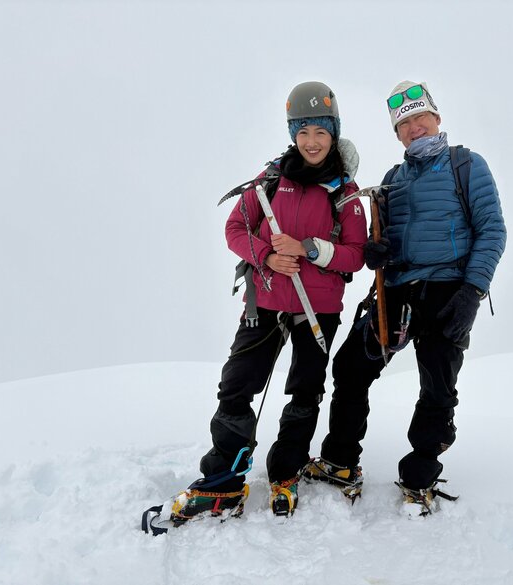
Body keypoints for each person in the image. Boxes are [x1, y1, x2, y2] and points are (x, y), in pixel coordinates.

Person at [305, 80, 507, 516]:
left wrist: (472, 291)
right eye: (404, 123)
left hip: (450, 289)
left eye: (420, 118)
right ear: (396, 134)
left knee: (437, 385)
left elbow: (492, 230)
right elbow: (384, 239)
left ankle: (420, 474)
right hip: (396, 290)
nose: (414, 128)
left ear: (436, 119)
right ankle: (340, 460)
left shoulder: (466, 165)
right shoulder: (392, 181)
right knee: (351, 367)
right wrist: (379, 252)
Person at [170, 81, 367, 520]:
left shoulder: (347, 193)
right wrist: (268, 256)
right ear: (292, 133)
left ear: (333, 133)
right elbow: (234, 230)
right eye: (303, 131)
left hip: (318, 311)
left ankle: (287, 470)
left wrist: (308, 248)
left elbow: (356, 255)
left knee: (304, 391)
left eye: (320, 131)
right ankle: (224, 480)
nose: (311, 141)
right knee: (237, 385)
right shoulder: (271, 180)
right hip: (266, 304)